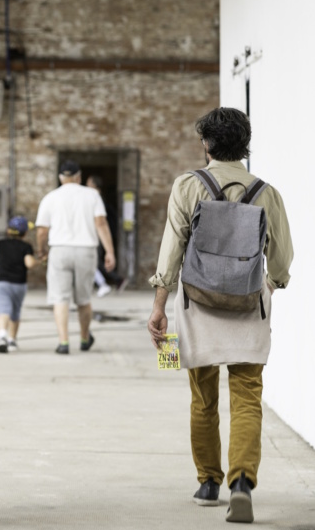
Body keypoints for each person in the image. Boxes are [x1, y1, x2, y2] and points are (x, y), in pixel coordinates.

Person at [147, 107, 293, 523]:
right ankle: (242, 483)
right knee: (247, 397)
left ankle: (208, 481)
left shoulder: (188, 185)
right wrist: (273, 284)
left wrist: (159, 306)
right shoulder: (267, 192)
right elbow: (282, 259)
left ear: (206, 145)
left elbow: (171, 247)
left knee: (203, 398)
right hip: (249, 306)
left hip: (197, 306)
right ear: (244, 146)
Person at [35, 160, 116, 354]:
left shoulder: (50, 197)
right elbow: (101, 224)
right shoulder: (92, 195)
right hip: (85, 250)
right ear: (79, 177)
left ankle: (63, 342)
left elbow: (41, 231)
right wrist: (110, 252)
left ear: (60, 178)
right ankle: (84, 337)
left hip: (60, 250)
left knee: (60, 299)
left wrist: (41, 250)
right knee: (84, 299)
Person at [0, 215, 36, 353]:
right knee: (15, 312)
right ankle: (12, 341)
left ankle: (2, 335)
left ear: (9, 231)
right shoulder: (26, 247)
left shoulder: (1, 243)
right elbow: (29, 263)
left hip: (2, 282)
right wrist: (38, 261)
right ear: (25, 233)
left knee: (4, 309)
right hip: (19, 284)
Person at [85, 175, 126, 297]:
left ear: (94, 184)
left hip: (97, 235)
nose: (86, 185)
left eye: (88, 182)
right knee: (94, 261)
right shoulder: (95, 197)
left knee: (95, 261)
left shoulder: (96, 198)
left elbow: (101, 222)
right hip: (97, 234)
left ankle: (111, 281)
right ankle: (104, 283)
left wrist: (110, 250)